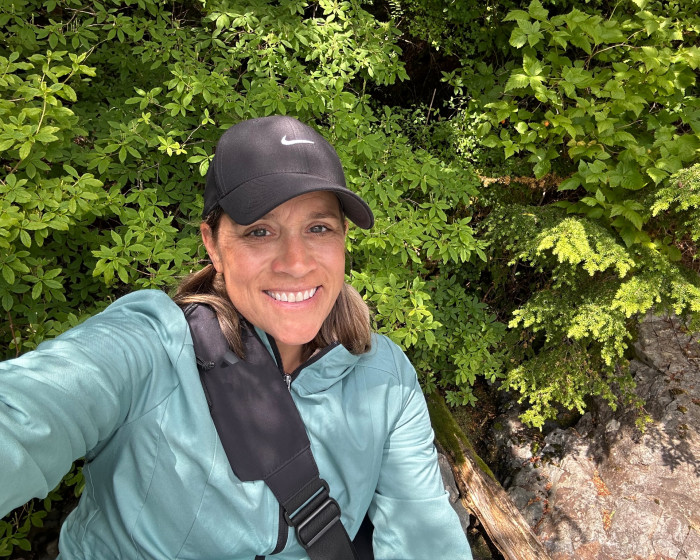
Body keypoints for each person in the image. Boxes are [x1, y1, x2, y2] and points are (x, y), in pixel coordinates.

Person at [0, 116, 473, 559]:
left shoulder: (386, 376)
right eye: (260, 231)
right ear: (213, 244)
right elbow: (26, 414)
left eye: (319, 228)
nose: (296, 262)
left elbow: (426, 538)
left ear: (343, 237)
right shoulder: (153, 349)